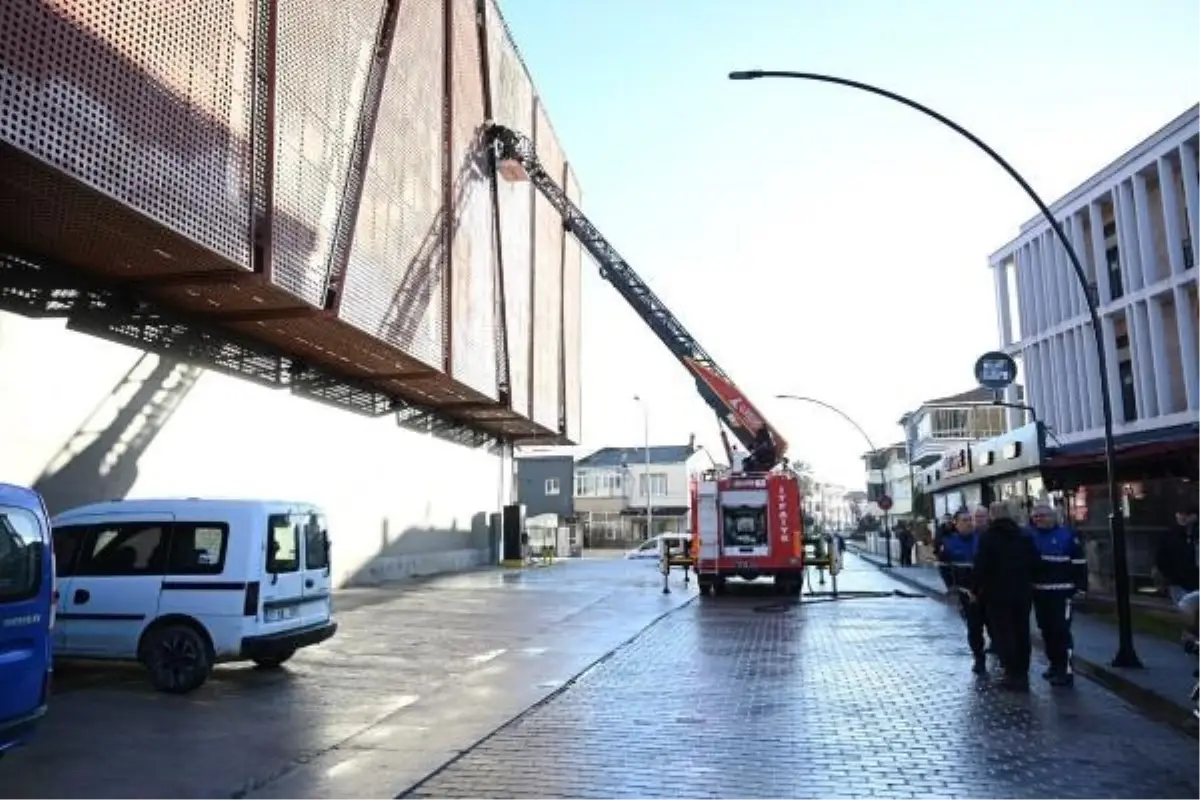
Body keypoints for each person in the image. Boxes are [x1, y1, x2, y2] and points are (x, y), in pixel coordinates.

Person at [972, 500, 1040, 691]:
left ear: (992, 515)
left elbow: (981, 566)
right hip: (1022, 592)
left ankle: (1011, 672)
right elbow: (1036, 562)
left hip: (997, 593)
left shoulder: (988, 537)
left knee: (1004, 633)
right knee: (1022, 631)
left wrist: (975, 589)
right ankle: (1022, 673)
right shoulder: (1024, 536)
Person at [1028, 503, 1087, 687]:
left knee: (1061, 632)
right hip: (1040, 592)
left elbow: (1080, 563)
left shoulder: (1067, 536)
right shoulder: (1030, 536)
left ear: (1053, 517)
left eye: (1043, 516)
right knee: (1046, 631)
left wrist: (1081, 588)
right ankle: (1054, 665)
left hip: (1063, 593)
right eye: (1036, 516)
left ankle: (1066, 670)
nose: (1039, 519)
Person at [939, 509, 986, 674]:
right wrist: (951, 587)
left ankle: (1001, 655)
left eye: (970, 520)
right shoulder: (949, 543)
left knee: (995, 626)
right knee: (974, 628)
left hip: (986, 591)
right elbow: (944, 568)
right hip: (966, 593)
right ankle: (979, 659)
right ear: (956, 524)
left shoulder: (982, 540)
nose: (968, 523)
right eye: (964, 520)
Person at [1155, 505, 1200, 641]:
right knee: (1186, 612)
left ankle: (1190, 639)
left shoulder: (1196, 535)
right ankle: (1189, 639)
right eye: (1181, 513)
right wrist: (1169, 577)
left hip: (1194, 581)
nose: (1184, 517)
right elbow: (1161, 558)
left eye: (1188, 514)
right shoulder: (1170, 535)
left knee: (1191, 612)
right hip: (1178, 582)